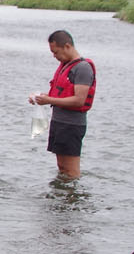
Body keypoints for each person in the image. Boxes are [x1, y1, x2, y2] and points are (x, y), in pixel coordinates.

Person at [29, 29, 95, 180]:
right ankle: (62, 199)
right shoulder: (66, 65)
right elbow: (61, 95)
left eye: (56, 52)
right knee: (62, 167)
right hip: (60, 122)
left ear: (67, 46)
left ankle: (72, 199)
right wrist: (41, 98)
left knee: (71, 171)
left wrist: (49, 100)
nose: (55, 56)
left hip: (72, 125)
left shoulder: (83, 68)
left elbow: (79, 100)